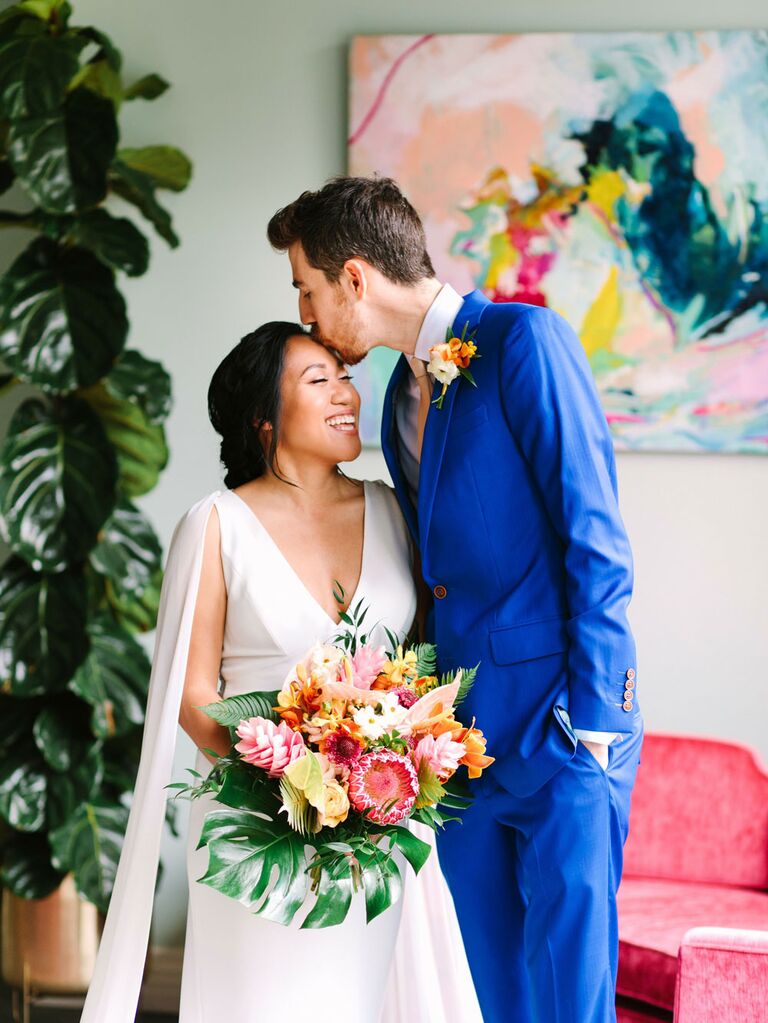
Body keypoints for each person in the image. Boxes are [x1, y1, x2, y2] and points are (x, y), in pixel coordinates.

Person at [267, 177, 645, 1023]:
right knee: (489, 999)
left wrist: (598, 728)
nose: (306, 312)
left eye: (308, 288)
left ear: (355, 278)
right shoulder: (401, 395)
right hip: (461, 753)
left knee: (572, 1005)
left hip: (563, 738)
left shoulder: (524, 341)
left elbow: (597, 544)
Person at [79, 321, 482, 1023]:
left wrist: (374, 787)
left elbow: (417, 670)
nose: (347, 393)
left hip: (378, 838)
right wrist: (292, 786)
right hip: (255, 831)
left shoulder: (393, 508)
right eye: (317, 380)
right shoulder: (215, 524)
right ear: (264, 418)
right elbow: (192, 692)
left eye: (345, 376)